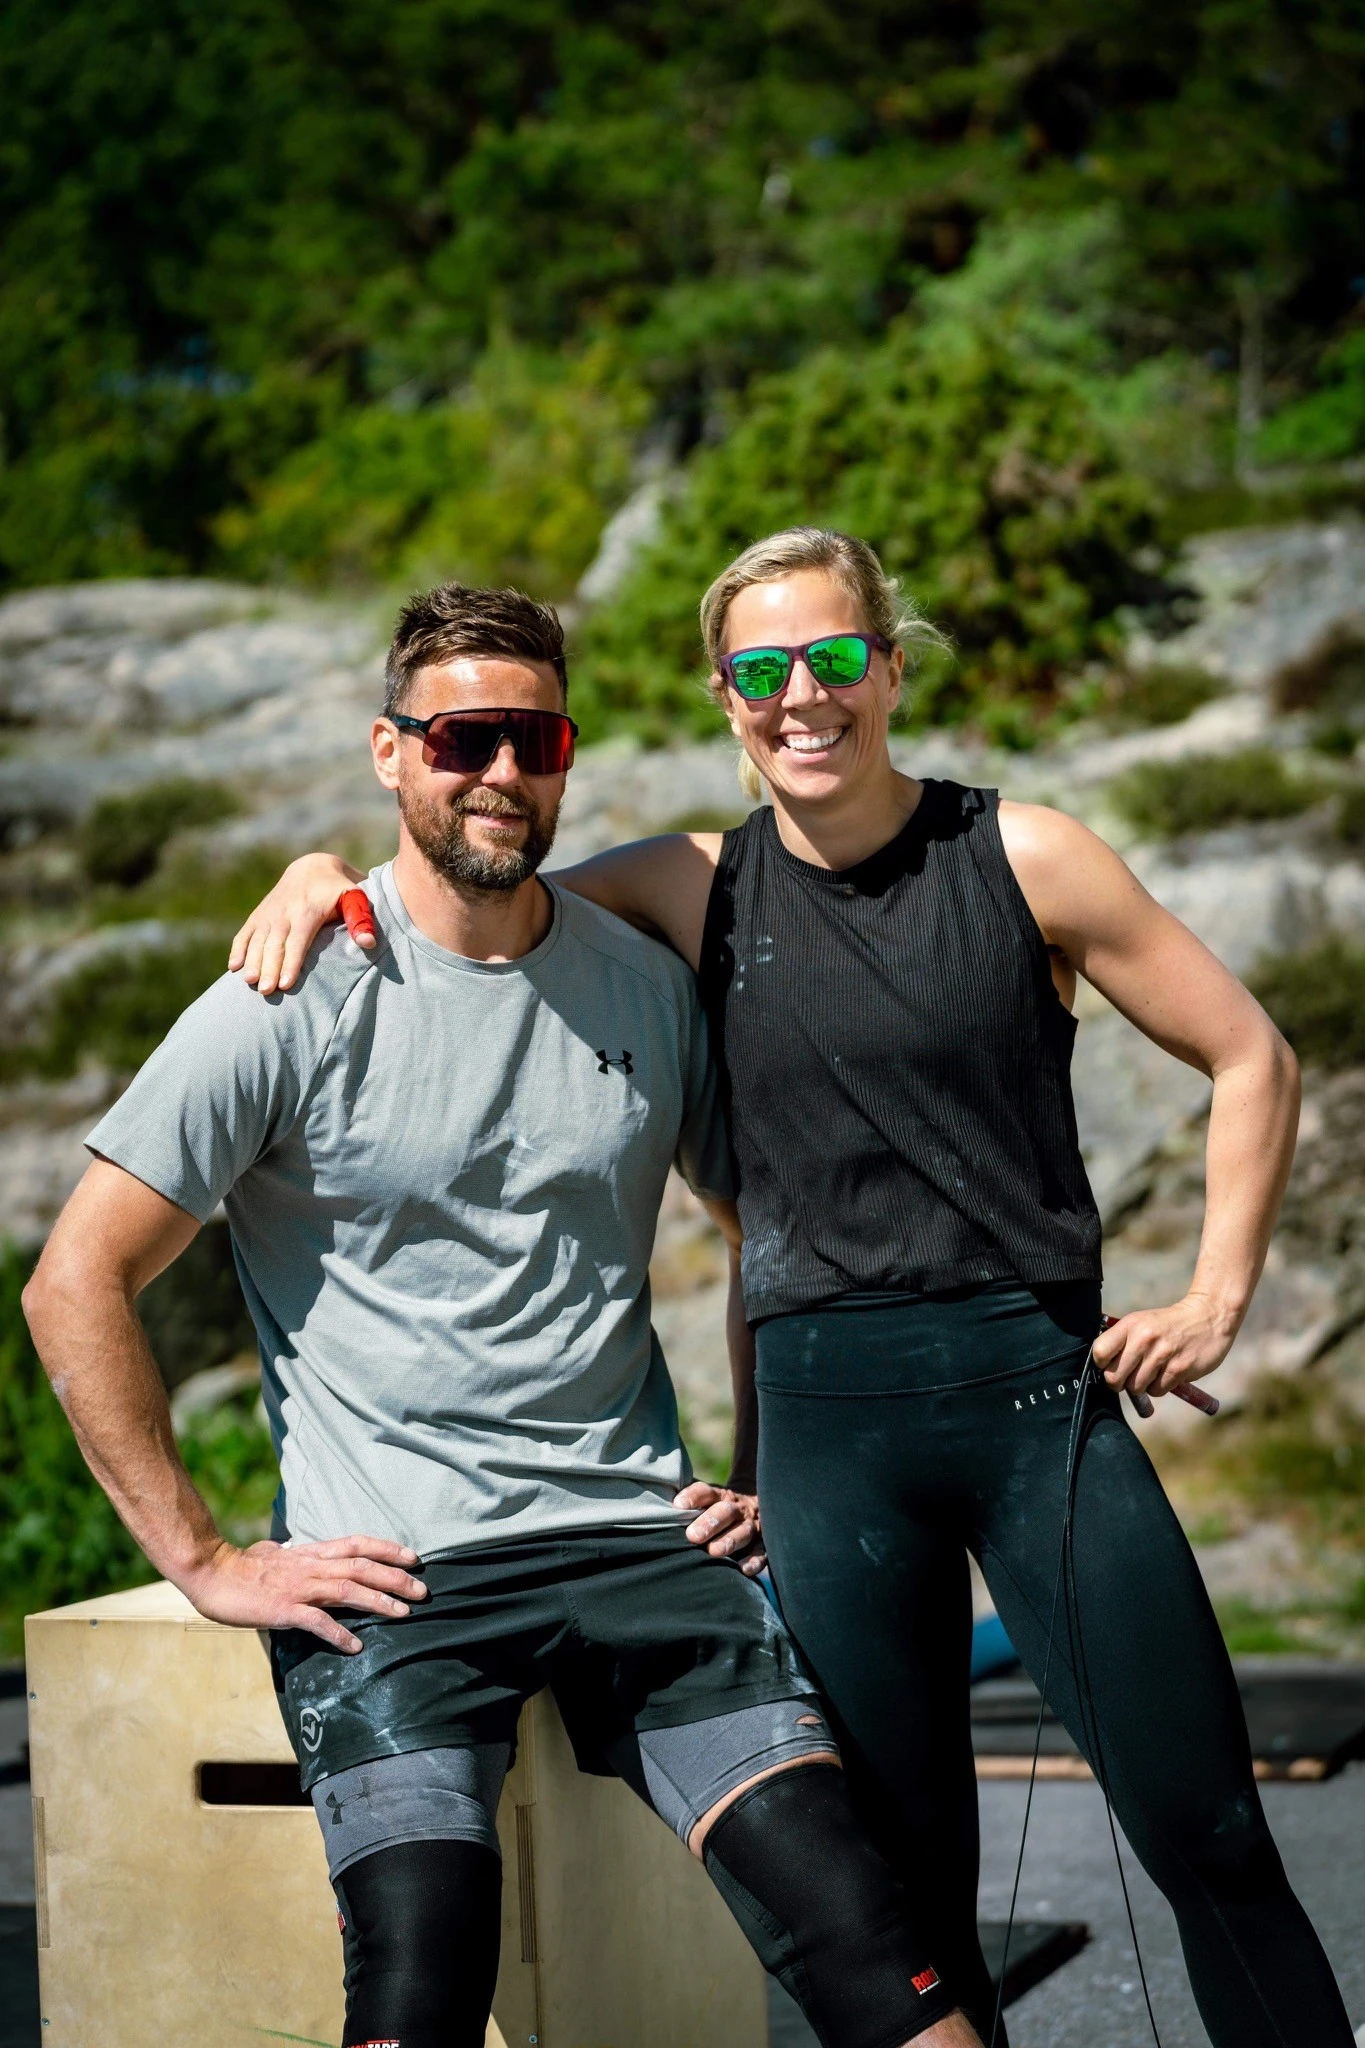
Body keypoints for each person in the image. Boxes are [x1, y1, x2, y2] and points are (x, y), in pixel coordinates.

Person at [237, 530, 1355, 2048]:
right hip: (830, 1458)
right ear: (723, 697)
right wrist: (318, 871)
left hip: (1041, 1415)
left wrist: (1215, 1301)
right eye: (762, 671)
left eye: (835, 657)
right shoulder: (689, 886)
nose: (802, 696)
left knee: (1210, 1836)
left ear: (889, 665)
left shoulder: (1027, 856)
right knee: (909, 1896)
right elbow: (473, 867)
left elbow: (1251, 1056)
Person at [24, 580, 991, 2048]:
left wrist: (764, 1474)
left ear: (567, 754)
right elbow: (75, 1278)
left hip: (641, 1546)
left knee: (874, 1943)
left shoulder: (646, 989)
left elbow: (769, 1239)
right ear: (391, 751)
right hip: (405, 1584)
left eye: (532, 741)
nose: (499, 773)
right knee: (420, 1977)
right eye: (464, 738)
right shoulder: (288, 993)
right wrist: (206, 1558)